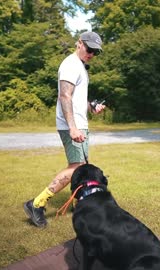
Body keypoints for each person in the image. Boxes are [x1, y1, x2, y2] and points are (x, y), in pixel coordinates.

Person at [24, 31, 106, 228]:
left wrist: (91, 106)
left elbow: (76, 98)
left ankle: (80, 202)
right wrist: (72, 127)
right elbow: (65, 96)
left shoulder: (80, 67)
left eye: (96, 52)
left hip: (79, 125)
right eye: (89, 49)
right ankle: (36, 204)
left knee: (79, 166)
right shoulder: (70, 65)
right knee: (77, 168)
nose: (91, 54)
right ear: (79, 43)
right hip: (73, 126)